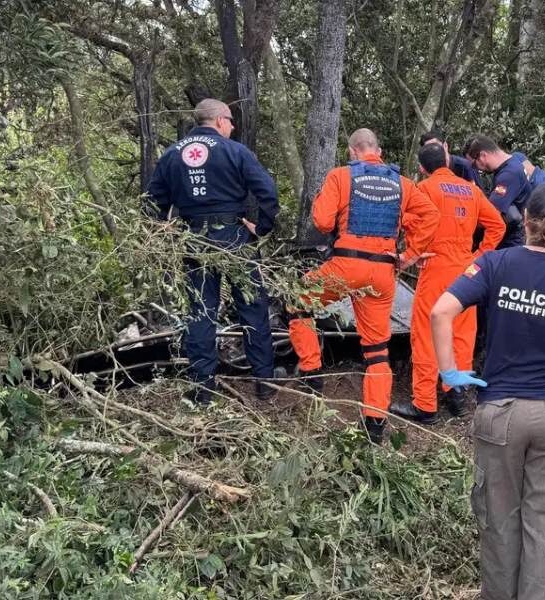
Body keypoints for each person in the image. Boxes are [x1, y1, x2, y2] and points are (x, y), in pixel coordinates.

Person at [429, 183, 545, 600]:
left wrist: (450, 371)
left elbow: (441, 310)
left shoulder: (494, 264)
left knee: (499, 524)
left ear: (526, 222)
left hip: (500, 412)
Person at [288, 128, 439, 444]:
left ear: (352, 151)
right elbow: (431, 215)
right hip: (383, 273)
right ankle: (375, 425)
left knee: (297, 300)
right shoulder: (403, 184)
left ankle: (312, 372)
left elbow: (323, 222)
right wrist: (408, 256)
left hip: (346, 266)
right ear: (378, 150)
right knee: (376, 350)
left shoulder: (341, 176)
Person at [145, 98, 280, 406]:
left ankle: (203, 387)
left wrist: (160, 230)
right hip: (233, 238)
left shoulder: (171, 155)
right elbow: (268, 193)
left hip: (193, 239)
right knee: (252, 307)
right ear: (220, 121)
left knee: (200, 311)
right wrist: (261, 228)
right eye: (231, 122)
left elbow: (151, 202)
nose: (232, 127)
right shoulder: (236, 152)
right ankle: (264, 382)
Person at [390, 143, 506, 424]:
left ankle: (425, 405)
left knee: (426, 334)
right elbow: (498, 226)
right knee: (462, 335)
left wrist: (413, 252)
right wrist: (478, 257)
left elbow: (408, 221)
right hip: (466, 273)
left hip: (436, 270)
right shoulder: (471, 189)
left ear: (421, 168)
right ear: (447, 160)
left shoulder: (425, 189)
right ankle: (456, 396)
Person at [466, 135, 533, 248]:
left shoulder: (509, 174)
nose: (475, 169)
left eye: (473, 164)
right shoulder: (511, 163)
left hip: (510, 241)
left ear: (483, 156)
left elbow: (491, 214)